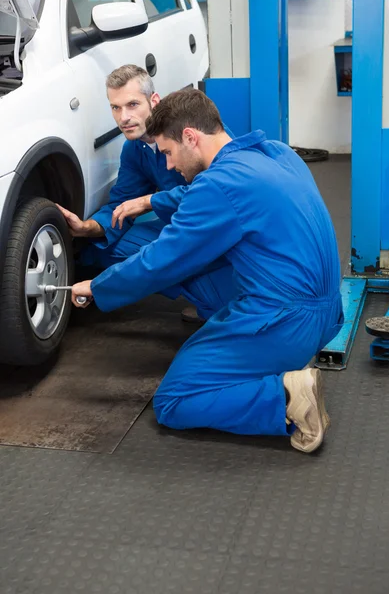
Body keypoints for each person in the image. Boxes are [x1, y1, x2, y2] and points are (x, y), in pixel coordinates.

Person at [71, 90, 344, 454]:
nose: (167, 166)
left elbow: (161, 261)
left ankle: (285, 398)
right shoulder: (276, 153)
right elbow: (197, 198)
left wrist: (98, 286)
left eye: (167, 152)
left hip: (288, 319)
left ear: (190, 137)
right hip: (328, 312)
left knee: (174, 400)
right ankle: (269, 360)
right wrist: (152, 200)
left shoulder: (217, 186)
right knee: (204, 276)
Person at [57, 64, 233, 323]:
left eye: (132, 105)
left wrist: (149, 201)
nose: (123, 117)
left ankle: (214, 296)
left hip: (216, 231)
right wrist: (86, 227)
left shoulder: (195, 132)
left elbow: (221, 190)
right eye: (115, 108)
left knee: (186, 268)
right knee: (101, 251)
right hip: (178, 227)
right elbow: (122, 203)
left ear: (154, 101)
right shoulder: (135, 149)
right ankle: (197, 289)